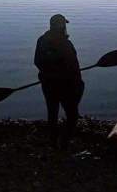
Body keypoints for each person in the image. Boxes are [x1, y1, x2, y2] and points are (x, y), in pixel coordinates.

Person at [34, 14, 85, 151]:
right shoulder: (66, 44)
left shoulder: (41, 40)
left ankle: (53, 144)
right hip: (65, 85)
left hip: (48, 85)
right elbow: (74, 67)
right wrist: (79, 85)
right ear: (63, 26)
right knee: (73, 116)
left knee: (52, 113)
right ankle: (64, 146)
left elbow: (37, 62)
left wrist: (45, 75)